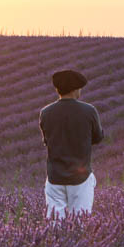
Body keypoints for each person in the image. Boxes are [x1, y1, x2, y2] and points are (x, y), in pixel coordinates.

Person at [39, 69, 104, 219]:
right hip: (80, 177)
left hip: (55, 177)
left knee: (55, 222)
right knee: (80, 221)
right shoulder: (89, 111)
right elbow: (98, 137)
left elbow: (46, 141)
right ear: (75, 90)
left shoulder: (46, 112)